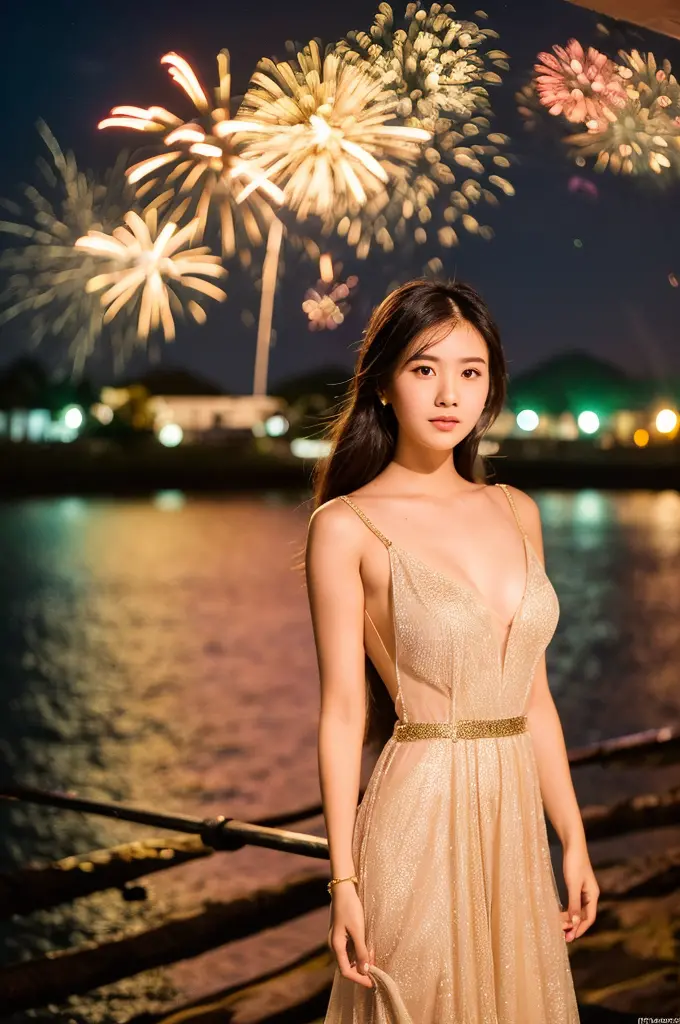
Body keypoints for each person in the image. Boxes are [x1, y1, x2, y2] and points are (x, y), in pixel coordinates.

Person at [304, 278, 599, 1024]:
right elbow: (342, 716)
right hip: (418, 816)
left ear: (491, 386)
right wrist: (343, 882)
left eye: (470, 372)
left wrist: (573, 837)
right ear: (381, 385)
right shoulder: (346, 526)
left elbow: (533, 700)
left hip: (514, 829)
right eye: (424, 368)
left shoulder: (516, 510)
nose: (448, 394)